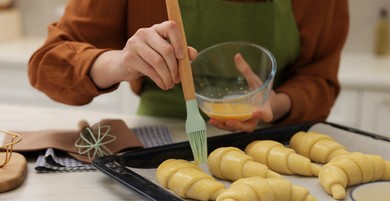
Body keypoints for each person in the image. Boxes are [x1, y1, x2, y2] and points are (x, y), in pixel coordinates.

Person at [28, 0, 349, 133]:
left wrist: (277, 103)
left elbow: (320, 79)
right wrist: (119, 62)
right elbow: (48, 63)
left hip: (273, 141)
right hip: (155, 137)